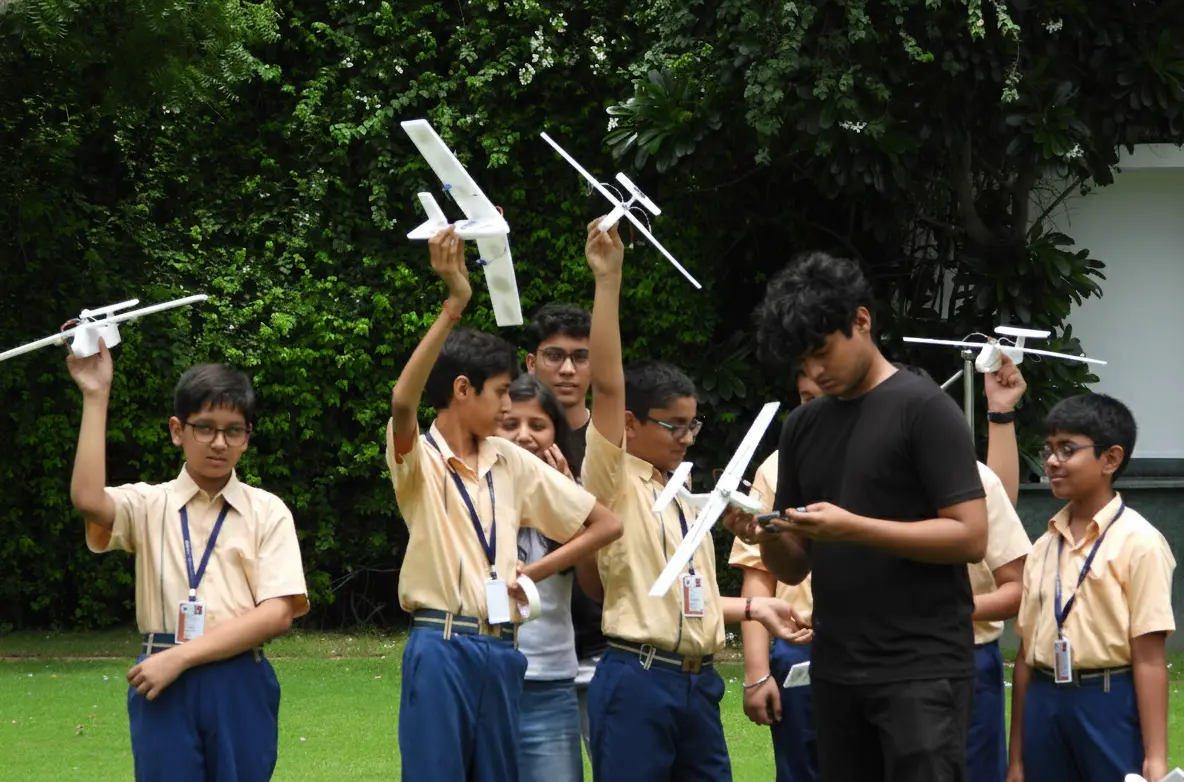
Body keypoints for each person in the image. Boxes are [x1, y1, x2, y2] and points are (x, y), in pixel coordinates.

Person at [732, 250, 989, 782]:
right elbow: (794, 566)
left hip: (922, 669)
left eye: (822, 352)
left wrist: (853, 528)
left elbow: (969, 535)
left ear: (862, 320)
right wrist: (766, 533)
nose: (815, 372)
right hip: (835, 668)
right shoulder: (803, 427)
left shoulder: (924, 408)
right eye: (802, 364)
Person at [387, 226, 622, 782]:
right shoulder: (420, 458)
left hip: (503, 648)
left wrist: (531, 571)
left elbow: (603, 524)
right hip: (439, 645)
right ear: (463, 390)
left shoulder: (510, 460)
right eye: (499, 393)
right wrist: (454, 304)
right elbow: (403, 401)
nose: (508, 404)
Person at [580, 218, 811, 782]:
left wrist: (758, 607)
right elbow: (607, 385)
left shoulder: (682, 493)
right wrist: (608, 280)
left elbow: (690, 599)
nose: (688, 437)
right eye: (674, 426)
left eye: (693, 424)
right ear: (631, 424)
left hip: (697, 681)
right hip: (637, 676)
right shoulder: (612, 473)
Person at [68, 346, 310, 780]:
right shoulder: (148, 504)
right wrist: (95, 393)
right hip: (160, 679)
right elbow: (88, 499)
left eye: (233, 431)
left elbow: (277, 612)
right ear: (177, 430)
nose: (219, 442)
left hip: (237, 678)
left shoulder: (267, 511)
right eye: (205, 428)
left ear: (247, 437)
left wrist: (182, 658)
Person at [1007, 394, 1174, 782]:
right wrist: (1016, 760)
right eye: (1048, 449)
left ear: (1110, 460)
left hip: (1108, 698)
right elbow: (1025, 657)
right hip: (1045, 700)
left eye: (1067, 449)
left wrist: (1155, 758)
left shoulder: (1140, 543)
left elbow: (1149, 658)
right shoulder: (1043, 546)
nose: (1051, 462)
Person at [895, 360, 1033, 782]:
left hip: (967, 659)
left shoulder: (977, 480)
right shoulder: (854, 477)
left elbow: (1017, 589)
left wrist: (952, 609)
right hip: (882, 660)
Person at [732, 373, 821, 782]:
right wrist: (756, 672)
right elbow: (758, 575)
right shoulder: (777, 467)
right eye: (805, 397)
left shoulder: (886, 453)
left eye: (824, 396)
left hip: (878, 645)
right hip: (798, 644)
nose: (814, 407)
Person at [523, 302, 603, 749]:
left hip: (605, 643)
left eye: (581, 357)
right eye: (554, 356)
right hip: (530, 648)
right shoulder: (506, 442)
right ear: (531, 363)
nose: (568, 369)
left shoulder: (614, 444)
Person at [498, 374, 585, 782]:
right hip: (487, 675)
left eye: (537, 425)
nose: (524, 436)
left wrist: (567, 495)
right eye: (510, 424)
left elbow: (592, 576)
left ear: (556, 432)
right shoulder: (472, 491)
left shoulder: (576, 496)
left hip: (550, 681)